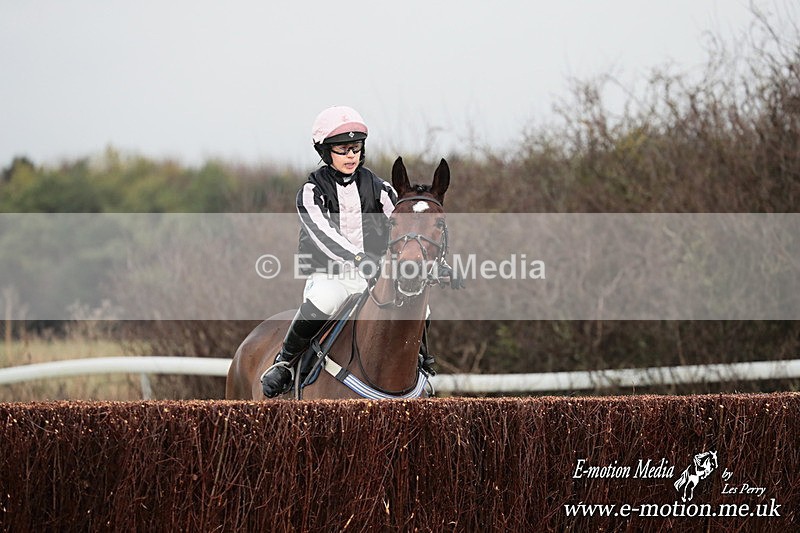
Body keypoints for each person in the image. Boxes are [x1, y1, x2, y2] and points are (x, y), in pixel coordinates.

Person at [261, 105, 402, 398]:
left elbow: (401, 226)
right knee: (323, 302)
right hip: (329, 275)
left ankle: (420, 363)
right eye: (342, 149)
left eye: (356, 148)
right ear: (326, 152)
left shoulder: (381, 188)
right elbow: (323, 234)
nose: (351, 155)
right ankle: (285, 363)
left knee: (415, 305)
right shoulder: (311, 191)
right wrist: (358, 258)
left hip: (371, 276)